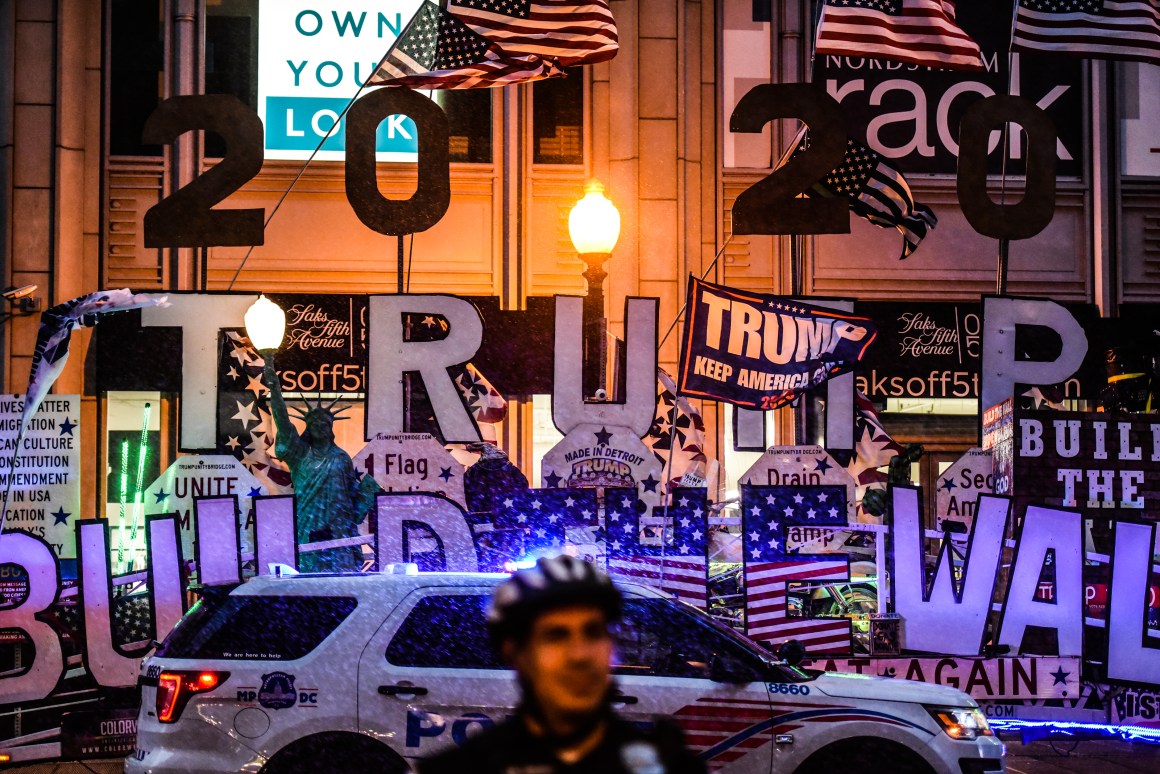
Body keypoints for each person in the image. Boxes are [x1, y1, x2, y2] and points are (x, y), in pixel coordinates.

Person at [419, 554, 705, 774]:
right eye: (556, 636)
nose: (580, 654)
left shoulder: (667, 767)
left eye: (594, 632)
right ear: (515, 651)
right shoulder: (461, 769)